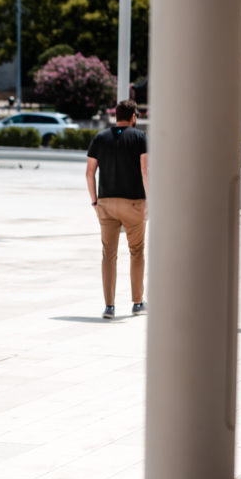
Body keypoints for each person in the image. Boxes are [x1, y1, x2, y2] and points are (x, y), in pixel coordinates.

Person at [85, 99, 149, 319]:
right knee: (137, 251)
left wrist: (95, 201)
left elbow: (89, 173)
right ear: (133, 117)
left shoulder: (100, 138)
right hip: (134, 202)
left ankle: (109, 306)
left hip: (106, 203)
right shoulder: (140, 137)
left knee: (108, 254)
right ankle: (137, 302)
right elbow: (145, 171)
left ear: (115, 116)